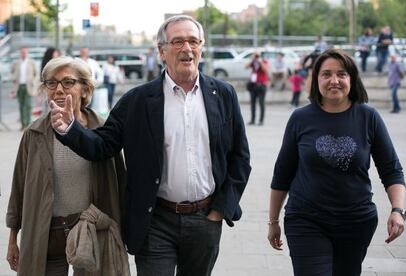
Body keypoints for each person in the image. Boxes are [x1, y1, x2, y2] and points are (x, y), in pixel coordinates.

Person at [50, 15, 251, 276]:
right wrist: (70, 129)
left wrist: (221, 209)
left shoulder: (223, 94)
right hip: (155, 220)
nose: (187, 49)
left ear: (201, 47)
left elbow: (240, 156)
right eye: (177, 42)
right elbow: (102, 145)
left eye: (193, 41)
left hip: (205, 219)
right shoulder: (138, 100)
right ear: (162, 52)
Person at [267, 49, 406, 276]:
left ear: (351, 78)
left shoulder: (369, 117)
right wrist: (273, 221)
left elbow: (391, 170)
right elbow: (282, 174)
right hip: (305, 220)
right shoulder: (300, 119)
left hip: (356, 223)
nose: (334, 80)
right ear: (316, 79)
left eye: (341, 74)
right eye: (326, 74)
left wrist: (398, 211)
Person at [6, 56, 127, 275]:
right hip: (47, 232)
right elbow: (19, 189)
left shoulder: (103, 132)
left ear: (85, 89)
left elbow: (119, 184)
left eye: (68, 82)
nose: (59, 89)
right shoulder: (34, 134)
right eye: (51, 83)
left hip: (90, 231)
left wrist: (122, 233)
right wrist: (13, 238)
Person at [11, 47, 38, 130]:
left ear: (27, 52)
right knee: (21, 105)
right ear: (20, 53)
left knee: (28, 105)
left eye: (25, 52)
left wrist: (33, 82)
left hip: (29, 86)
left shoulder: (31, 62)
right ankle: (23, 124)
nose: (23, 53)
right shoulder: (16, 63)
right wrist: (13, 78)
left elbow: (36, 74)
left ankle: (28, 124)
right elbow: (12, 71)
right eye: (22, 52)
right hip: (19, 87)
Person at [246, 51, 269, 125]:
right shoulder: (253, 63)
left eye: (257, 56)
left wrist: (260, 61)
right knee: (252, 103)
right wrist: (252, 60)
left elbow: (266, 70)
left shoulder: (264, 61)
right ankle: (252, 120)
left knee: (261, 103)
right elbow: (246, 67)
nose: (256, 57)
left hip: (261, 85)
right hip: (253, 85)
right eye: (255, 56)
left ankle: (261, 120)